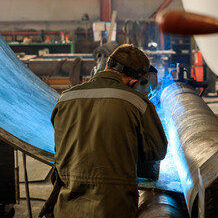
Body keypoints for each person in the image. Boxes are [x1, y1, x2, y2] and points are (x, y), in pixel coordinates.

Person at [40, 44, 168, 218]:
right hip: (114, 208)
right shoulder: (138, 103)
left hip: (66, 208)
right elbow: (157, 151)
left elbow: (61, 149)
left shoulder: (65, 99)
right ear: (134, 81)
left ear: (108, 65)